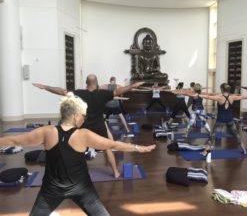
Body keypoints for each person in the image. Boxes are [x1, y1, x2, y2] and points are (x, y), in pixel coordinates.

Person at [0, 93, 155, 215]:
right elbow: (112, 144)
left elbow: (13, 141)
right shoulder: (83, 135)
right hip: (80, 189)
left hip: (53, 190)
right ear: (75, 115)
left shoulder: (47, 132)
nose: (84, 118)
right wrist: (137, 148)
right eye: (83, 115)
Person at [33, 74, 144, 178]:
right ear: (97, 83)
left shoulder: (79, 93)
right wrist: (133, 85)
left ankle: (69, 173)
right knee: (107, 148)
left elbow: (62, 91)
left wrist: (45, 87)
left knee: (75, 150)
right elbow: (119, 90)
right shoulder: (102, 93)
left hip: (83, 126)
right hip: (99, 126)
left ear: (86, 83)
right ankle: (115, 172)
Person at [198, 83, 247, 154]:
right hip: (230, 119)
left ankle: (205, 151)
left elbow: (208, 97)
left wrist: (198, 95)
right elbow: (243, 97)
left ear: (222, 89)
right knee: (236, 134)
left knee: (213, 135)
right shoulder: (232, 97)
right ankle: (243, 149)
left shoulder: (219, 97)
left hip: (221, 120)